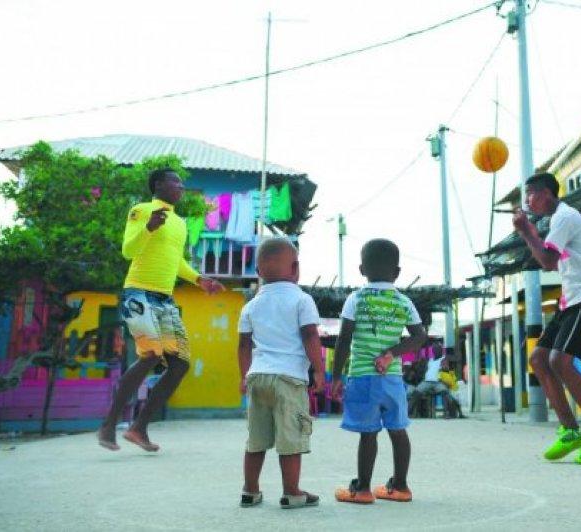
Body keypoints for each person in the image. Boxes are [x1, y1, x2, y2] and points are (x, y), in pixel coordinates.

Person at [98, 168, 224, 452]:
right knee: (151, 354)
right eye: (175, 181)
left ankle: (139, 428)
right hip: (138, 293)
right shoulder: (141, 210)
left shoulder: (179, 223)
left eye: (181, 182)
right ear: (158, 185)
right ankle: (108, 425)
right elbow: (128, 251)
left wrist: (199, 279)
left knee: (179, 363)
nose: (180, 186)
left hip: (165, 300)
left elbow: (176, 261)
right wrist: (148, 228)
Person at [512, 172, 581, 464]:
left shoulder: (565, 217)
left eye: (531, 193)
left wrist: (526, 231)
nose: (527, 200)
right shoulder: (557, 219)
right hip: (572, 301)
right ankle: (570, 431)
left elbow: (547, 261)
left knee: (560, 361)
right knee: (539, 359)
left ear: (547, 193)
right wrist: (531, 231)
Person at [332, 239, 427, 504]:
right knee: (398, 430)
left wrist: (337, 376)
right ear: (397, 272)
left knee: (368, 432)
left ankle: (362, 489)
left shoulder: (356, 299)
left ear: (362, 269)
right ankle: (400, 487)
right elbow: (420, 337)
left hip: (363, 376)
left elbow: (343, 339)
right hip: (393, 379)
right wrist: (391, 354)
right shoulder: (403, 301)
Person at [237, 237, 325, 509]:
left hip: (258, 377)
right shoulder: (302, 299)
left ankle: (250, 491)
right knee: (291, 438)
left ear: (258, 272)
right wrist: (319, 370)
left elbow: (243, 344)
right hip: (289, 379)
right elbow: (310, 335)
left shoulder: (250, 305)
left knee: (257, 439)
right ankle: (292, 492)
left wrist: (243, 376)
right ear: (295, 268)